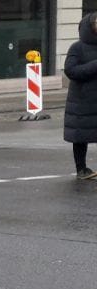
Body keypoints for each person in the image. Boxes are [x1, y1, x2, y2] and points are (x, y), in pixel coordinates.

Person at [63, 12, 97, 179]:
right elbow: (70, 70)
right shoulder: (77, 47)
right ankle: (81, 168)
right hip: (82, 100)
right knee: (81, 136)